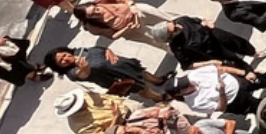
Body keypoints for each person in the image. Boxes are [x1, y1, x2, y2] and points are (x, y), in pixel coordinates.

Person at [42, 44, 173, 100]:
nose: (65, 59)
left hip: (120, 65)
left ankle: (158, 81)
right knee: (140, 88)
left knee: (141, 72)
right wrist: (84, 67)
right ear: (59, 67)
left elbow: (97, 49)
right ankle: (159, 97)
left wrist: (108, 51)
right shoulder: (72, 72)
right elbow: (83, 74)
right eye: (61, 61)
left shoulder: (78, 51)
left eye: (63, 55)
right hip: (113, 78)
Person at [73, 0, 172, 46]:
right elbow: (112, 36)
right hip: (132, 30)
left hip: (138, 11)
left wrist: (132, 6)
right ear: (87, 19)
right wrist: (126, 29)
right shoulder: (93, 27)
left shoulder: (102, 1)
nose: (97, 13)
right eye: (93, 15)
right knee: (156, 40)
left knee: (168, 19)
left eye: (96, 9)